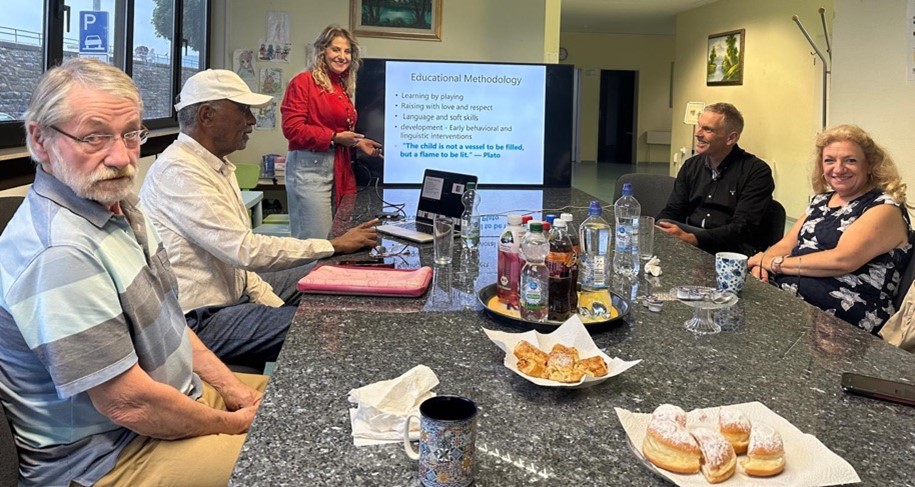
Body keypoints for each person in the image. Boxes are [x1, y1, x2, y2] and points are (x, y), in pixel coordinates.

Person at [0, 58, 266, 486]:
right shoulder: (59, 252)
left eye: (130, 134)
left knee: (309, 411)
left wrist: (234, 390)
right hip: (110, 457)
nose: (122, 157)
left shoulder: (120, 206)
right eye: (94, 137)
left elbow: (171, 323)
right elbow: (130, 405)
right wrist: (233, 424)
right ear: (40, 139)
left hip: (175, 401)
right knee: (293, 460)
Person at [140, 69, 377, 368]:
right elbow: (245, 250)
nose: (251, 120)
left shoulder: (215, 166)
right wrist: (334, 245)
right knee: (328, 326)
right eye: (243, 110)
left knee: (326, 274)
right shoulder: (179, 172)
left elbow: (239, 265)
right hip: (200, 319)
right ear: (206, 115)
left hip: (232, 291)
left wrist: (274, 305)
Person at [748, 124, 912, 334]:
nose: (838, 168)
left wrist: (775, 264)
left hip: (845, 318)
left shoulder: (884, 207)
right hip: (793, 301)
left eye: (850, 160)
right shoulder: (821, 201)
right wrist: (761, 265)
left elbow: (842, 260)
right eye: (830, 160)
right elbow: (786, 244)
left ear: (869, 165)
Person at [281, 24, 382, 239]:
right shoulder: (303, 82)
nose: (342, 56)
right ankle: (309, 274)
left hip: (336, 166)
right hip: (310, 169)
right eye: (336, 49)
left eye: (347, 51)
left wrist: (357, 142)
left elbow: (338, 130)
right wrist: (335, 138)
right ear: (322, 51)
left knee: (333, 237)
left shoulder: (339, 86)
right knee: (316, 241)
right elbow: (292, 129)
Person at [656, 102, 775, 255]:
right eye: (700, 126)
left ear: (731, 138)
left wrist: (695, 239)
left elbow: (742, 228)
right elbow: (674, 210)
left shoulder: (756, 172)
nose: (698, 133)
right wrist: (660, 227)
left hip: (731, 251)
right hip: (690, 245)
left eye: (708, 129)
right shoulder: (691, 166)